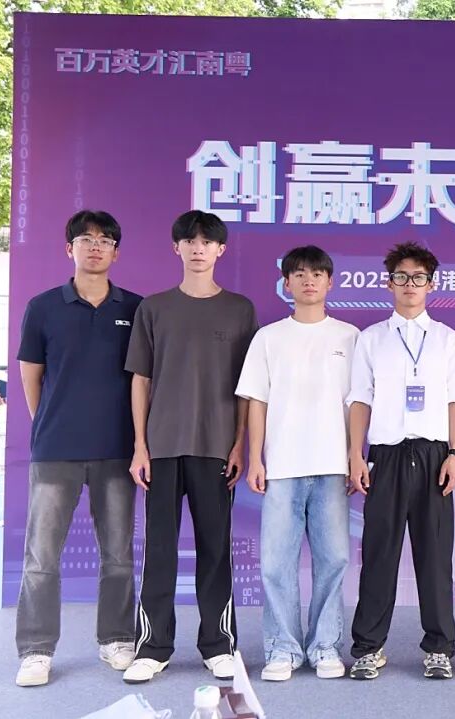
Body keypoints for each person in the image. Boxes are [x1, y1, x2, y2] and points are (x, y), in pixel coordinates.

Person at [122, 210, 258, 684]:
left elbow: (248, 389)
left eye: (207, 242)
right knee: (159, 549)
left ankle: (218, 645)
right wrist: (140, 446)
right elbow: (140, 380)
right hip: (161, 447)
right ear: (176, 247)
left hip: (216, 448)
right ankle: (152, 647)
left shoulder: (240, 310)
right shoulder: (154, 308)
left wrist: (239, 445)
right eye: (189, 241)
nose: (198, 248)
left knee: (215, 549)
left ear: (221, 250)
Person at [13, 210, 142, 687]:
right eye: (86, 239)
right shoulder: (43, 307)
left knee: (118, 555)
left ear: (116, 253)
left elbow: (143, 380)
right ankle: (36, 650)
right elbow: (32, 376)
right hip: (56, 450)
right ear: (69, 248)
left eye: (105, 240)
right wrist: (52, 422)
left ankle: (116, 638)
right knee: (42, 556)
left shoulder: (136, 308)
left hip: (117, 449)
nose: (95, 246)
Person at [235, 246, 359, 682]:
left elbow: (357, 405)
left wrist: (355, 456)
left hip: (332, 465)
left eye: (317, 274)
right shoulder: (269, 338)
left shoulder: (350, 336)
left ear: (330, 282)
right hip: (282, 466)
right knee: (276, 562)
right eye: (300, 274)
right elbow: (257, 400)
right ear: (286, 282)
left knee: (334, 559)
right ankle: (282, 648)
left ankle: (325, 645)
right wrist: (255, 457)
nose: (309, 281)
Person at [345, 241, 455, 681]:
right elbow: (360, 399)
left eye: (418, 278)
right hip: (387, 455)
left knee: (434, 557)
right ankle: (368, 647)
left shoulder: (448, 340)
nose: (409, 285)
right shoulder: (372, 339)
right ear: (389, 283)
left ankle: (439, 647)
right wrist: (356, 455)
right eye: (401, 277)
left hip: (435, 456)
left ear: (431, 285)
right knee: (379, 554)